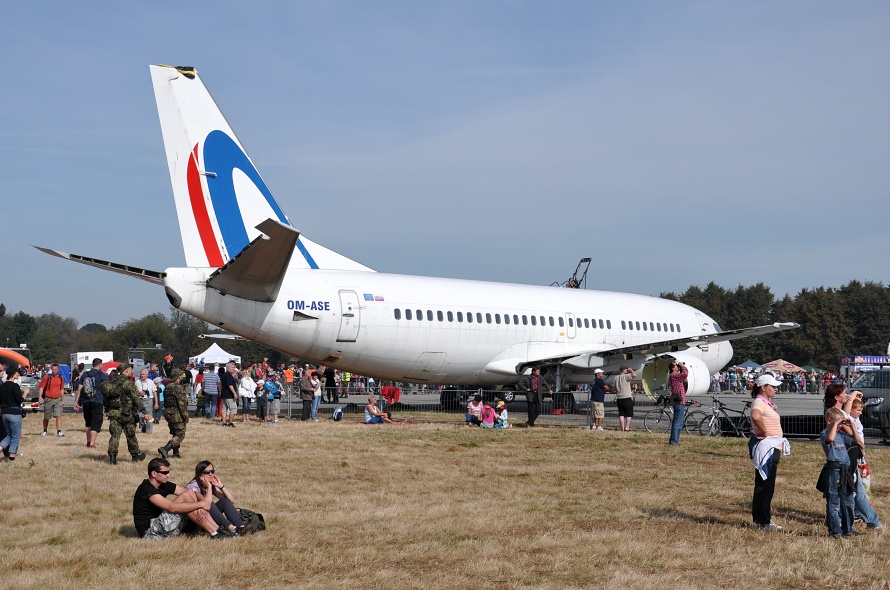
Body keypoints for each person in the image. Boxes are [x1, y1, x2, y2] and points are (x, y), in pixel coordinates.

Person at [133, 458, 229, 540]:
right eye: (164, 472)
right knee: (186, 497)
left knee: (189, 494)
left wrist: (203, 503)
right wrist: (201, 504)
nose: (168, 475)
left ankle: (217, 530)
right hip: (151, 532)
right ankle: (215, 532)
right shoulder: (146, 489)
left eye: (168, 472)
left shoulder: (164, 485)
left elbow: (192, 493)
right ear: (154, 473)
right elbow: (171, 507)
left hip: (163, 525)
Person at [748, 373, 789, 532]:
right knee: (766, 486)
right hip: (768, 447)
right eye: (773, 387)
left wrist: (771, 406)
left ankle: (760, 519)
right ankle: (764, 521)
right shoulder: (759, 402)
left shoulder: (763, 401)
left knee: (762, 484)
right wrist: (765, 432)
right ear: (763, 387)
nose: (776, 389)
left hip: (770, 446)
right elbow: (756, 415)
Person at [818, 407, 860, 538]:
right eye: (837, 422)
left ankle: (848, 529)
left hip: (845, 470)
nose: (840, 425)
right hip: (834, 470)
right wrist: (836, 424)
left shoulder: (842, 435)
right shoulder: (825, 433)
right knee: (834, 503)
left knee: (849, 502)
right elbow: (829, 439)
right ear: (829, 420)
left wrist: (851, 425)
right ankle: (835, 531)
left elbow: (857, 439)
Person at [847, 393, 883, 529]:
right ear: (851, 410)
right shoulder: (849, 418)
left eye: (862, 410)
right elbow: (848, 409)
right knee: (859, 489)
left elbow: (856, 406)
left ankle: (856, 513)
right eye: (858, 410)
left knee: (862, 486)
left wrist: (859, 400)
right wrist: (853, 394)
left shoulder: (856, 419)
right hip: (855, 457)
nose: (861, 413)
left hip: (860, 457)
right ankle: (871, 520)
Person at [186, 460, 248, 536]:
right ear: (200, 475)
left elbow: (232, 501)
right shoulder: (193, 486)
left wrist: (221, 486)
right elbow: (207, 504)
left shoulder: (209, 485)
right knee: (210, 503)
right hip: (193, 521)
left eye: (212, 471)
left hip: (205, 516)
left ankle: (241, 526)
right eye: (207, 472)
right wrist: (209, 486)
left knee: (224, 501)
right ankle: (231, 528)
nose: (210, 474)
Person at [105, 364, 149, 464]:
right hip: (127, 414)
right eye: (130, 370)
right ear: (127, 370)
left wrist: (108, 409)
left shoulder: (111, 382)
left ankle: (112, 458)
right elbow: (136, 399)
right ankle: (135, 456)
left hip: (114, 413)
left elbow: (106, 399)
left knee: (115, 436)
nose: (131, 372)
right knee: (131, 435)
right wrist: (144, 412)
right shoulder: (129, 384)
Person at [73, 358, 108, 450]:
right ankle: (92, 444)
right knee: (95, 423)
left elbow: (79, 389)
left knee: (88, 423)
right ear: (99, 365)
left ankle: (88, 441)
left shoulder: (85, 374)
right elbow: (107, 389)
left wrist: (76, 402)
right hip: (97, 401)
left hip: (86, 401)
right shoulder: (102, 376)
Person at [158, 369, 189, 460]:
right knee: (180, 434)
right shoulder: (178, 388)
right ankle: (165, 448)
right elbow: (182, 404)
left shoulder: (167, 387)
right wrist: (185, 416)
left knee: (175, 433)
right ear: (178, 376)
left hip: (168, 413)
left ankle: (176, 453)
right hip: (176, 413)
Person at [1, 364, 26, 461]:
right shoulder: (15, 386)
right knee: (15, 436)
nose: (18, 375)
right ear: (12, 374)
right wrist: (25, 394)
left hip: (5, 413)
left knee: (8, 435)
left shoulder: (2, 386)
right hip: (14, 413)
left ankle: (1, 448)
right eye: (17, 373)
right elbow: (19, 400)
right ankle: (12, 457)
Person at [38, 362, 66, 437]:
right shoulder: (47, 377)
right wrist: (40, 396)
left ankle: (59, 431)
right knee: (47, 416)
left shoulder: (61, 377)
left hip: (58, 399)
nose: (54, 371)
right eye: (53, 369)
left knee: (58, 415)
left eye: (55, 369)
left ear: (58, 370)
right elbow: (41, 387)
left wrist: (63, 400)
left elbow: (62, 389)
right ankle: (45, 430)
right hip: (48, 398)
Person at [667, 362, 688, 445]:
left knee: (677, 421)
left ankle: (675, 439)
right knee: (678, 422)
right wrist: (682, 366)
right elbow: (685, 374)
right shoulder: (674, 376)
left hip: (677, 401)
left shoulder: (673, 376)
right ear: (673, 368)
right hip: (679, 401)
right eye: (676, 366)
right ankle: (674, 441)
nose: (677, 366)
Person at [612, 366, 636, 431]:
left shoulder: (616, 377)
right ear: (623, 370)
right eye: (626, 370)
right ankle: (627, 427)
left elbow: (614, 388)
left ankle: (622, 428)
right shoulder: (626, 376)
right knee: (629, 414)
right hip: (627, 397)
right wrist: (631, 370)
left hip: (619, 397)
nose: (627, 371)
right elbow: (634, 375)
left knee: (621, 413)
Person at [135, 368, 158, 434]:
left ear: (147, 375)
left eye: (144, 374)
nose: (142, 376)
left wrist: (156, 403)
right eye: (141, 374)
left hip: (149, 400)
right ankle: (143, 426)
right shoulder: (137, 382)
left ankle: (149, 430)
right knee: (140, 416)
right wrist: (139, 393)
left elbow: (154, 392)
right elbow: (134, 392)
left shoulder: (151, 382)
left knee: (149, 416)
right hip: (140, 400)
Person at [220, 362, 239, 428]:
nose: (233, 369)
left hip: (224, 394)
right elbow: (230, 385)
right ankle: (230, 422)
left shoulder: (225, 375)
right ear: (228, 368)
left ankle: (224, 422)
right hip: (229, 394)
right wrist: (234, 393)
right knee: (233, 408)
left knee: (224, 409)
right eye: (232, 367)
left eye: (234, 367)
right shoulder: (228, 375)